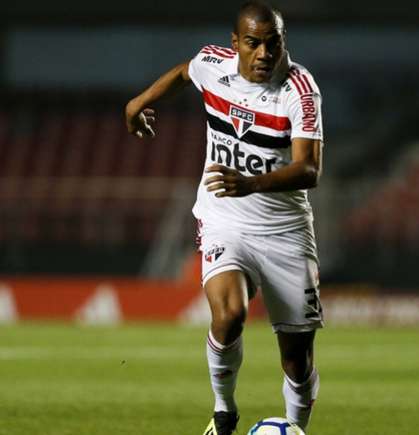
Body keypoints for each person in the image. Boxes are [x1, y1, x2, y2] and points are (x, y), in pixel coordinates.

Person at [125, 2, 324, 434]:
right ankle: (223, 411)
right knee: (229, 314)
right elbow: (184, 72)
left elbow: (309, 169)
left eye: (274, 43)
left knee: (296, 356)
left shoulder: (300, 91)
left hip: (285, 232)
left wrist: (251, 183)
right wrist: (138, 102)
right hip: (224, 219)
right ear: (236, 45)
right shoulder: (215, 65)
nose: (265, 53)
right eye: (254, 43)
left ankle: (295, 427)